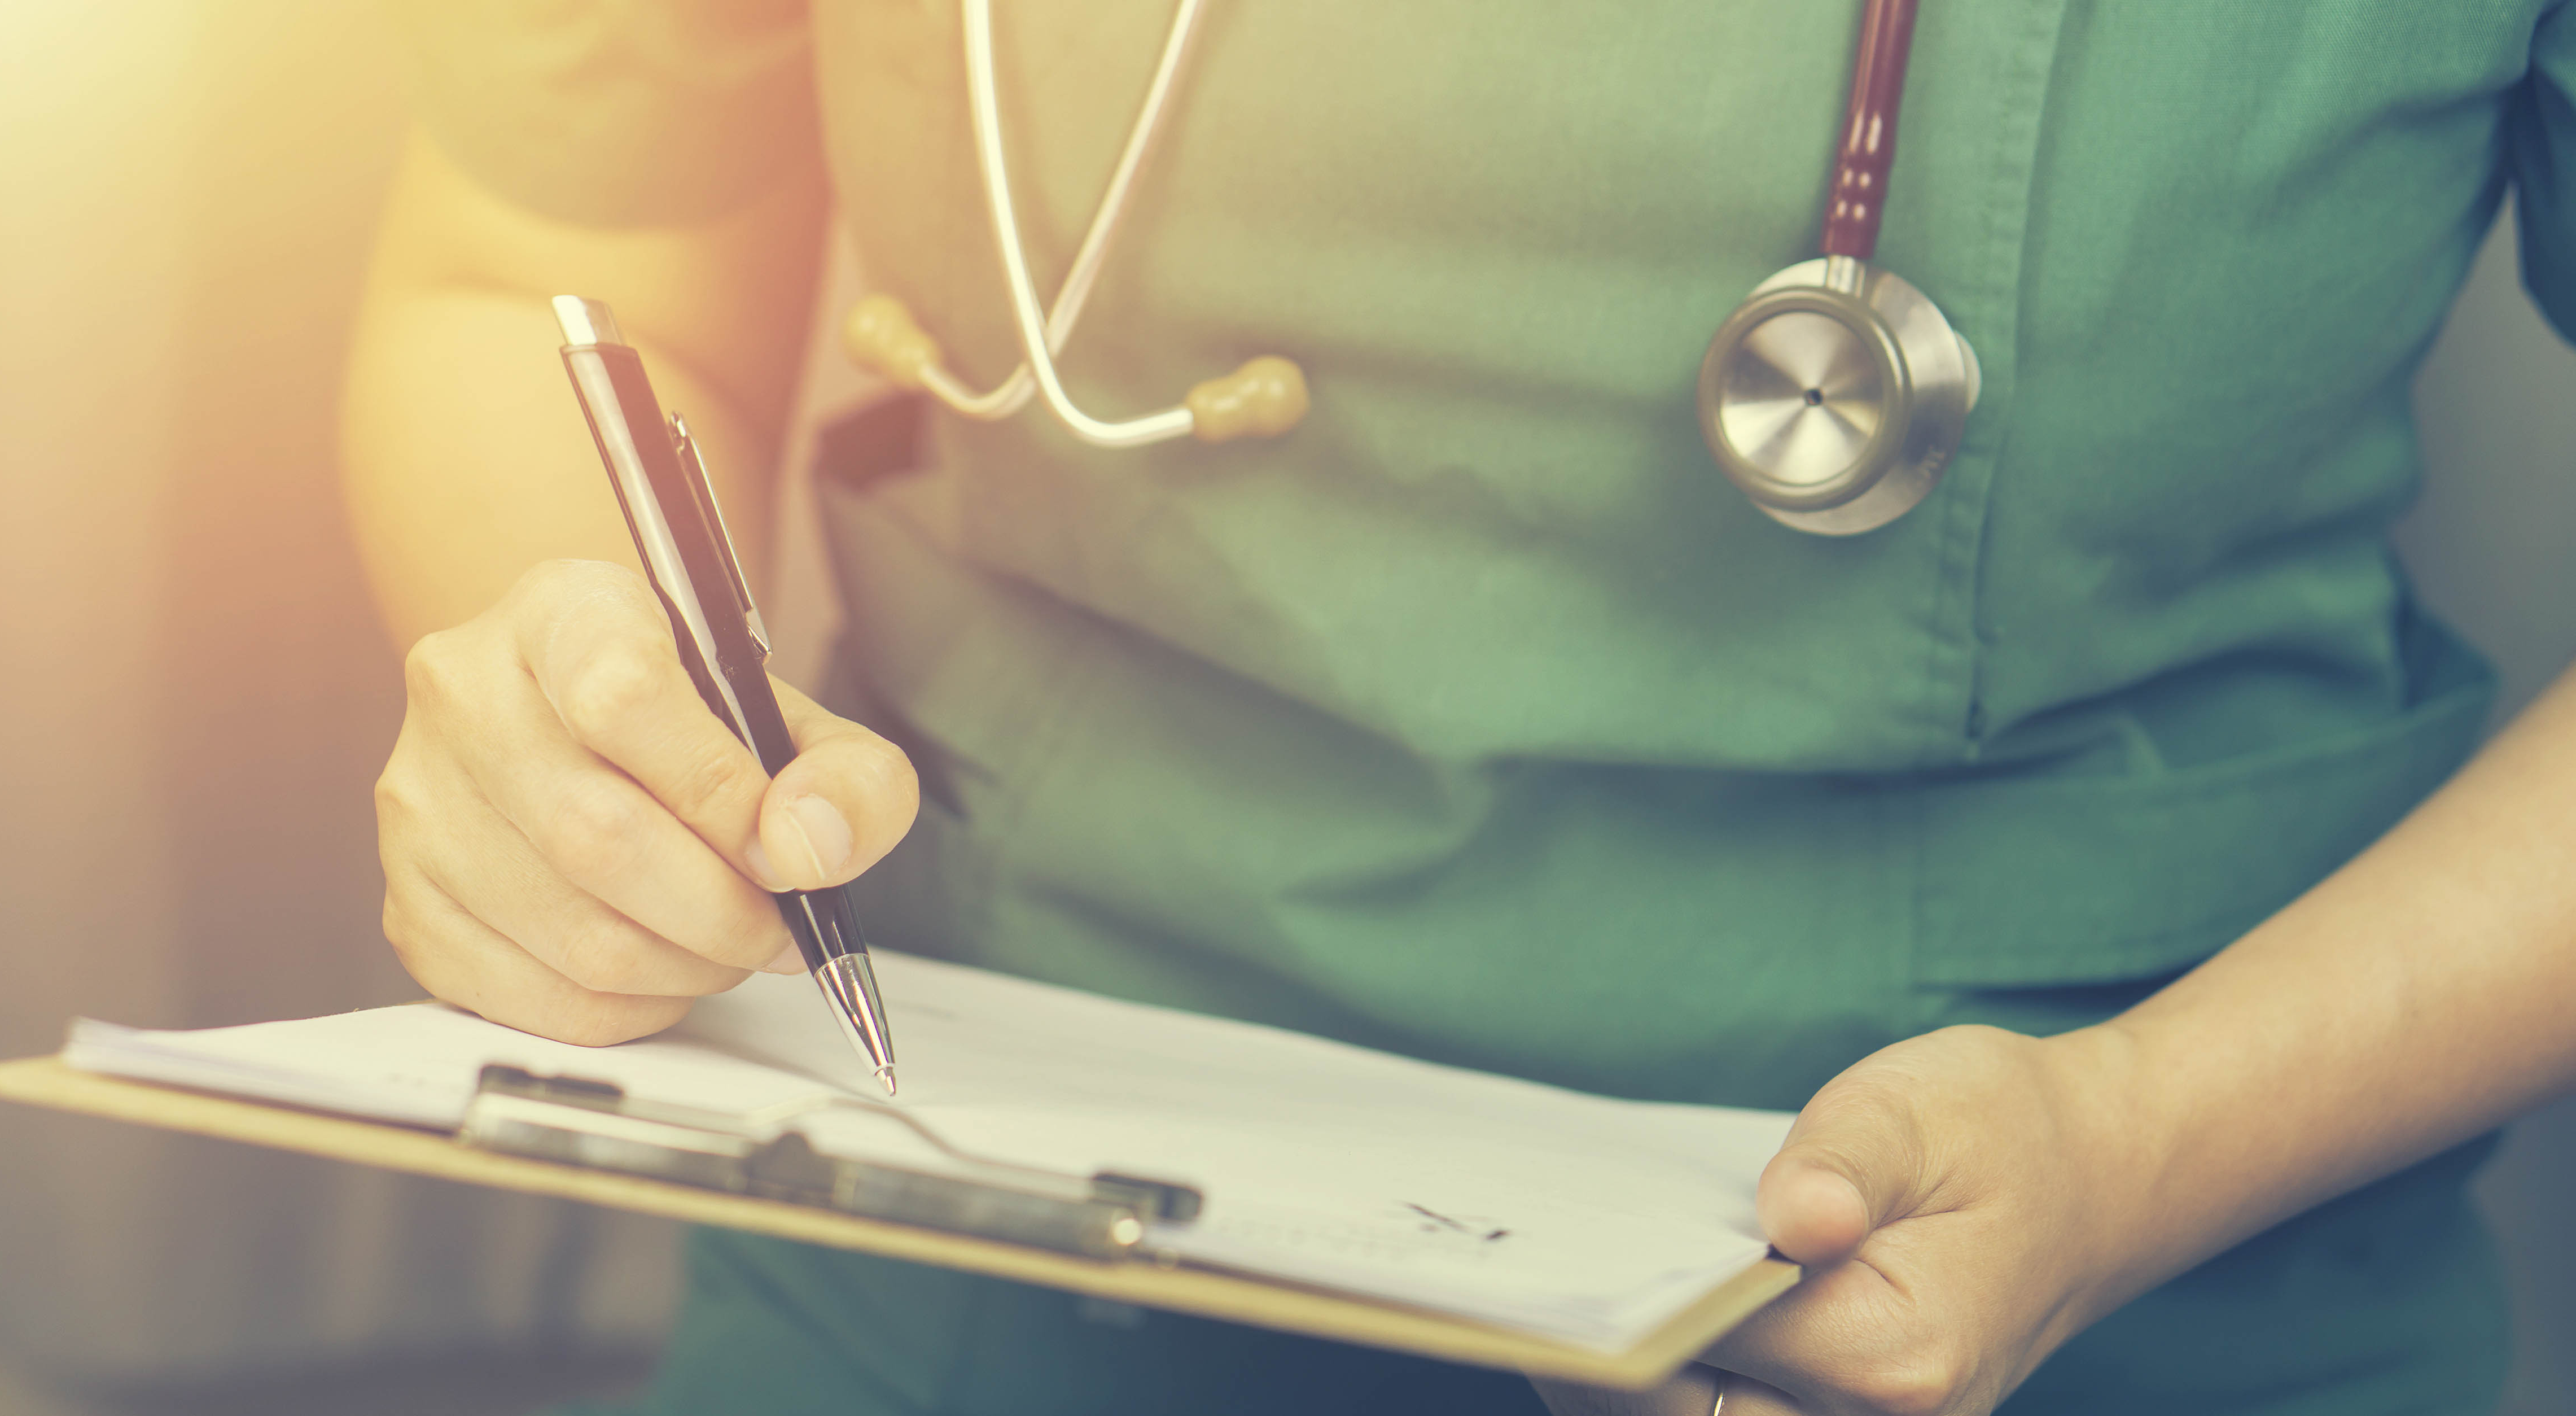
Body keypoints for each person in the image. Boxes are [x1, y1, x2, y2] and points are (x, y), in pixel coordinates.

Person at [343, 3, 2576, 1413]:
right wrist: (586, 713)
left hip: (2125, 1237)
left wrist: (2140, 1146)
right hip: (970, 1206)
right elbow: (549, 265)